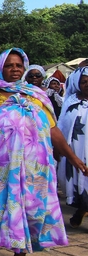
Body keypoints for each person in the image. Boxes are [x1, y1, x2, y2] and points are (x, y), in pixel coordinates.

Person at [0, 48, 86, 256]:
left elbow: (53, 130)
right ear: (0, 67)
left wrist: (74, 158)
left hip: (34, 168)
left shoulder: (36, 96)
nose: (15, 69)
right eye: (10, 65)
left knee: (30, 210)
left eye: (19, 65)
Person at [57, 67, 88, 229]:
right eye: (84, 82)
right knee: (79, 184)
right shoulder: (71, 102)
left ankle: (83, 209)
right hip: (74, 153)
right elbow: (62, 126)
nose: (87, 85)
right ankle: (82, 208)